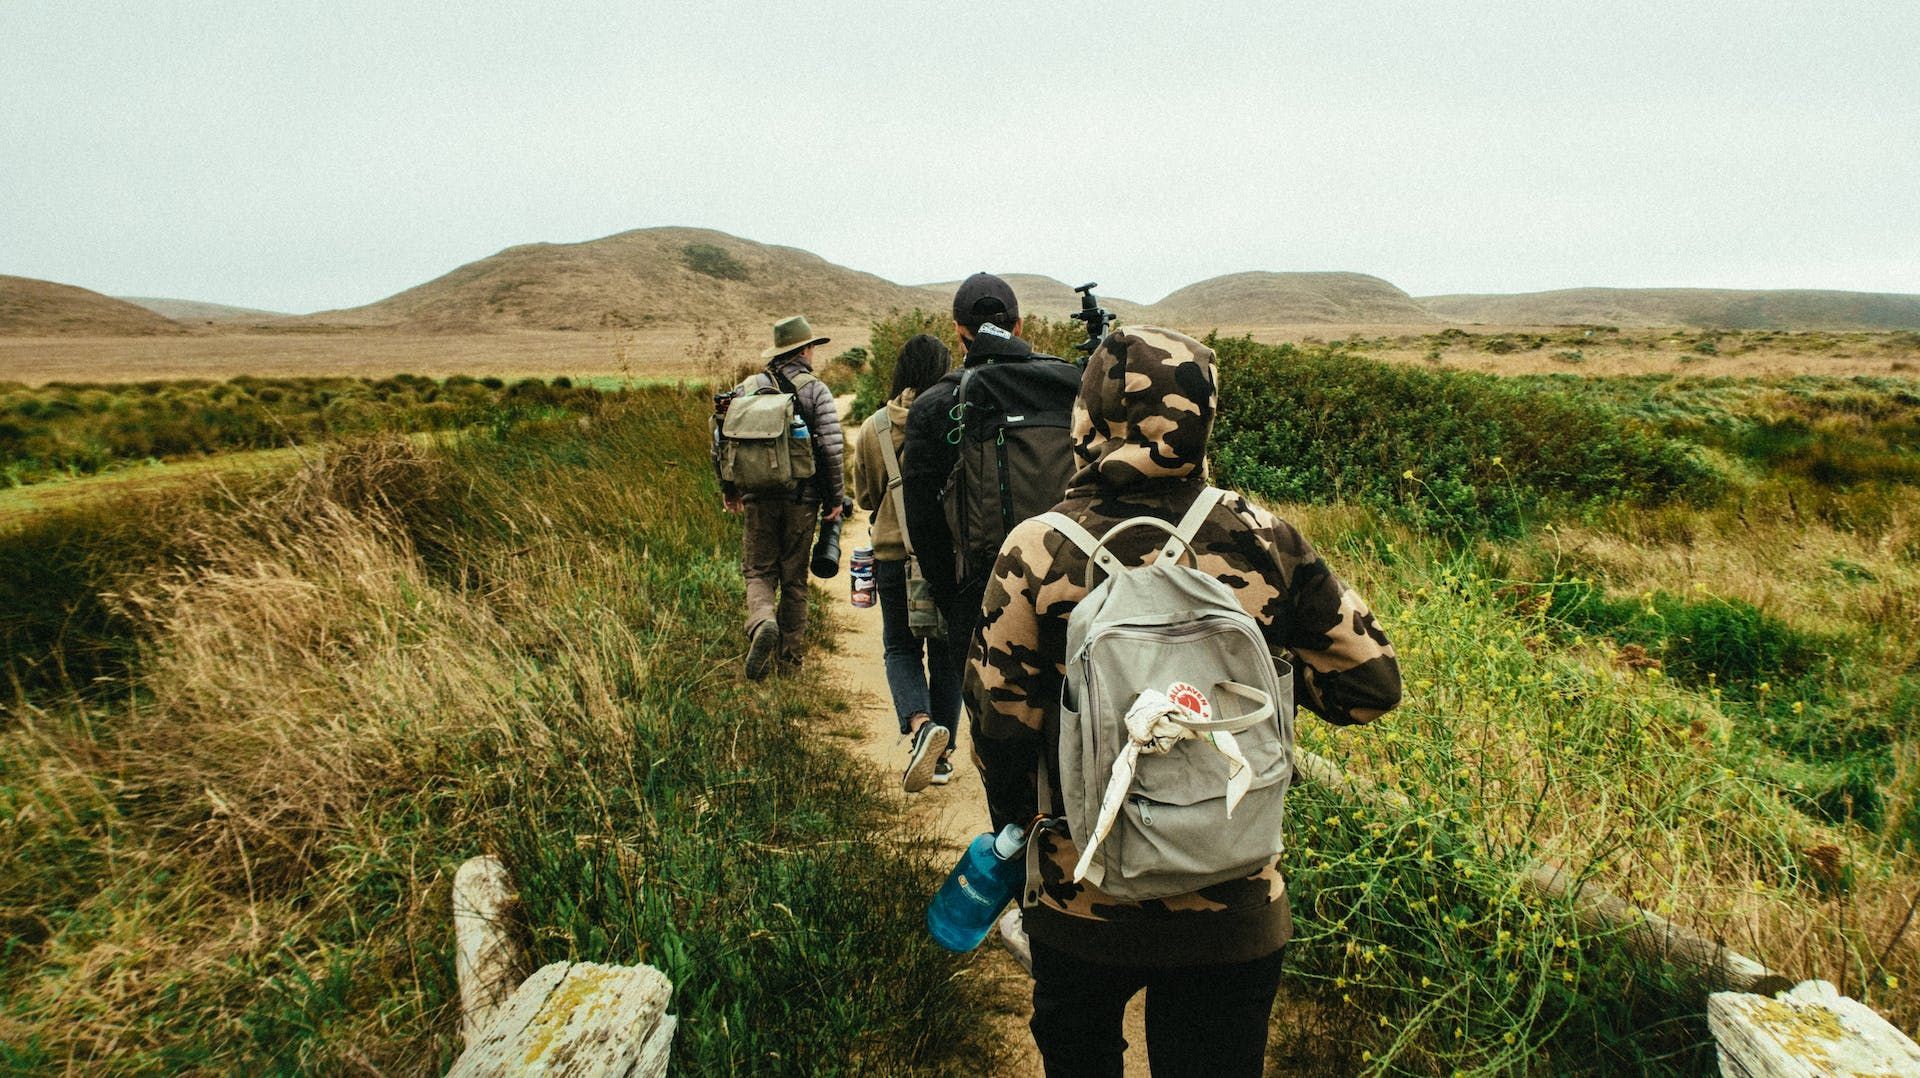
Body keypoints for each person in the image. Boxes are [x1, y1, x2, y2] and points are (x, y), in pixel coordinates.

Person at [966, 327, 1403, 1076]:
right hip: (1235, 900)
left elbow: (1001, 727)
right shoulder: (1265, 538)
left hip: (1084, 902)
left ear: (1090, 418)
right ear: (1204, 417)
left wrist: (1025, 835)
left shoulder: (1038, 548)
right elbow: (1371, 688)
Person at [901, 273, 1079, 820]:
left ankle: (1018, 857)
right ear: (1020, 325)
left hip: (980, 595)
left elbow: (923, 522)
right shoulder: (1069, 386)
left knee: (1001, 739)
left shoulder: (935, 406)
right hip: (1077, 584)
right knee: (1079, 719)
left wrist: (950, 590)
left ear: (959, 333)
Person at [851, 333, 960, 791]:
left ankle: (920, 728)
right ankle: (943, 754)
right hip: (948, 554)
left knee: (900, 646)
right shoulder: (956, 416)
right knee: (948, 654)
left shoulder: (873, 427)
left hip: (892, 554)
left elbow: (864, 497)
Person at [715, 314, 845, 680]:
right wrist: (835, 499)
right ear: (804, 350)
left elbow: (721, 441)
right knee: (794, 578)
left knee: (757, 570)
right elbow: (832, 451)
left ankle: (761, 622)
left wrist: (730, 489)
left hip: (757, 495)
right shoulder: (816, 391)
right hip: (802, 499)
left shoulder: (745, 389)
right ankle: (789, 660)